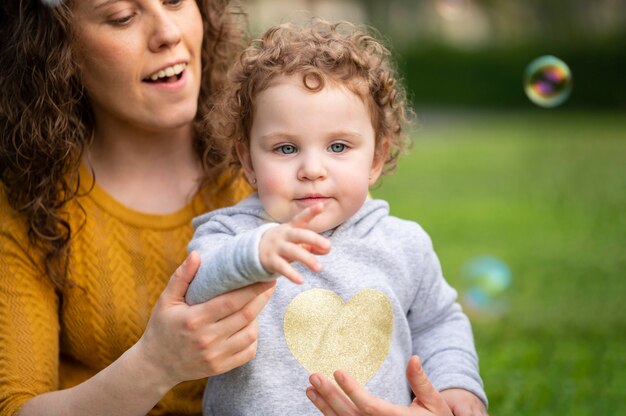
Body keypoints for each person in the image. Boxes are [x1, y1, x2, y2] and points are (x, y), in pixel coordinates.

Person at [185, 19, 489, 416]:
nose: (312, 168)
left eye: (339, 146)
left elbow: (438, 322)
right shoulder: (230, 234)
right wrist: (256, 254)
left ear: (376, 159)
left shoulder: (402, 244)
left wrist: (457, 386)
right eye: (285, 149)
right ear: (248, 160)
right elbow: (197, 289)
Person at [0, 0, 277, 415]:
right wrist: (154, 365)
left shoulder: (276, 168)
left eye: (175, 1)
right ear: (60, 50)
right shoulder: (32, 207)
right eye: (123, 17)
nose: (168, 32)